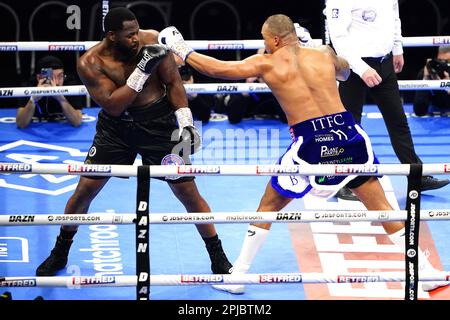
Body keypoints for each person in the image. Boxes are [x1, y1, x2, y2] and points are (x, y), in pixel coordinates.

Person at [158, 14, 448, 293]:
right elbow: (346, 72)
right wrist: (314, 51)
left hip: (311, 142)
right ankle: (426, 272)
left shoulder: (267, 63)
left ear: (274, 39)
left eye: (264, 39)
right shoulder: (322, 53)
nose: (264, 44)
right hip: (347, 133)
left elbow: (217, 69)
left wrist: (180, 47)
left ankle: (239, 275)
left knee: (269, 204)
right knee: (381, 206)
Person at [36, 7, 232, 277]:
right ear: (112, 36)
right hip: (115, 129)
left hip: (159, 126)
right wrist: (141, 70)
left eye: (137, 32)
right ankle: (60, 253)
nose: (136, 39)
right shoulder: (90, 62)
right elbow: (114, 105)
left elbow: (173, 82)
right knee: (84, 191)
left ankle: (217, 256)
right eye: (129, 36)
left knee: (188, 192)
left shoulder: (151, 40)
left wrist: (186, 122)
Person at [324, 0, 449, 201]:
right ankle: (344, 181)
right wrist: (361, 68)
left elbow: (393, 16)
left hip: (384, 62)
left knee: (398, 121)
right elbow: (338, 37)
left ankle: (416, 175)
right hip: (350, 67)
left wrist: (397, 48)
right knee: (348, 126)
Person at [16, 55, 83, 129]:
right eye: (51, 77)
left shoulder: (71, 86)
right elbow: (21, 124)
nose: (56, 82)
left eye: (60, 76)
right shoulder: (29, 86)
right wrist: (33, 100)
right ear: (39, 78)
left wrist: (61, 98)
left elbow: (77, 122)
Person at [413, 46, 450, 116]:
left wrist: (447, 86)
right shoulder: (430, 72)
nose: (443, 64)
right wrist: (425, 79)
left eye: (447, 62)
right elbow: (419, 112)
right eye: (440, 60)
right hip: (435, 113)